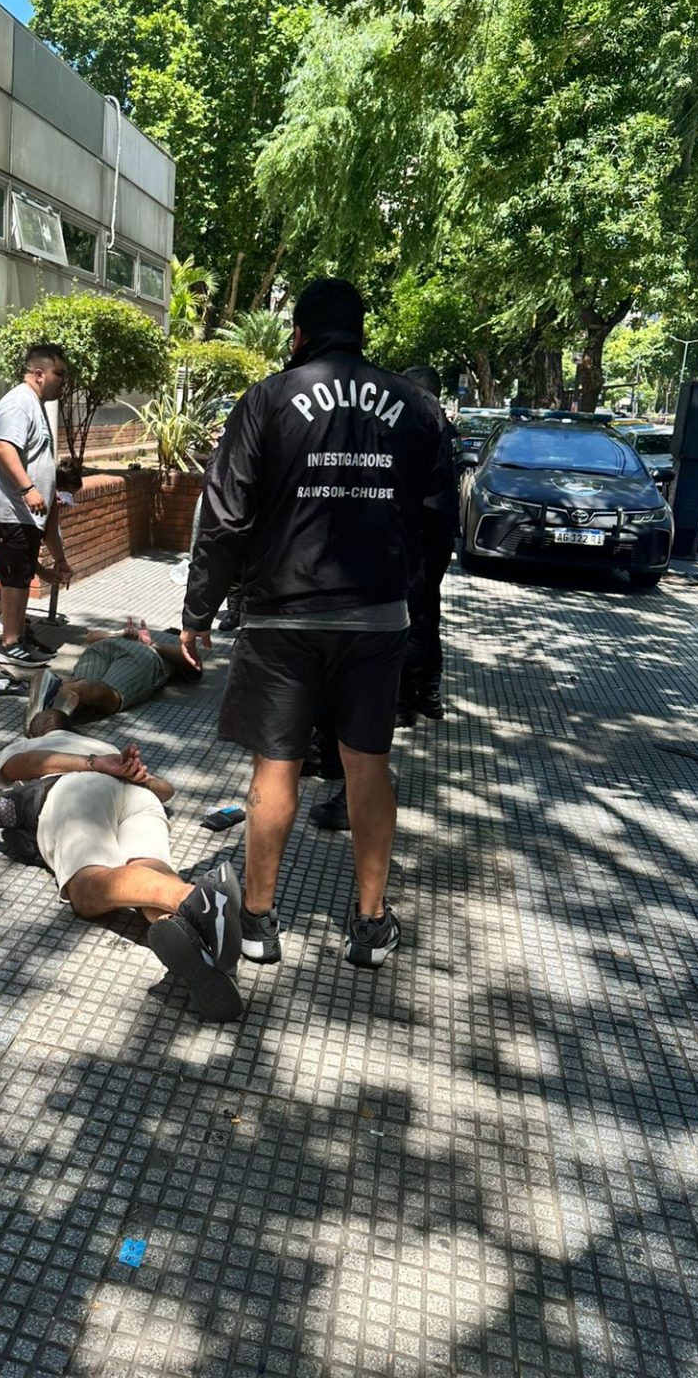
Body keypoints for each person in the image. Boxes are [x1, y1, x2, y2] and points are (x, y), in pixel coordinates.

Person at [179, 276, 457, 971]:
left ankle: (258, 921)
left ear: (297, 334)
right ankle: (369, 924)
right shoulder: (413, 406)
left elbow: (225, 517)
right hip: (375, 617)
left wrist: (198, 611)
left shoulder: (268, 400)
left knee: (276, 766)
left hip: (282, 616)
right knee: (368, 764)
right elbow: (438, 518)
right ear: (363, 334)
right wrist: (416, 603)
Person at [0, 720, 243, 1021]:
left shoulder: (37, 743)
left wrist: (95, 765)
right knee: (150, 870)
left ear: (39, 729)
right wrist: (135, 775)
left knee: (86, 888)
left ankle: (195, 897)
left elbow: (21, 765)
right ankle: (205, 947)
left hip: (78, 789)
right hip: (139, 797)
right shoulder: (103, 746)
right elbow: (166, 790)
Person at [0, 345, 73, 668]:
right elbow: (3, 447)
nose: (63, 381)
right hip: (9, 508)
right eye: (60, 374)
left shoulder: (36, 405)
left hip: (23, 513)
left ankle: (18, 636)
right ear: (39, 374)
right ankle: (9, 643)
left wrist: (54, 565)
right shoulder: (18, 402)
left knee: (21, 572)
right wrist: (28, 488)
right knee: (14, 577)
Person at [398, 366, 459, 722]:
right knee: (426, 615)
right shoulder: (444, 430)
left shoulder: (420, 429)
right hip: (435, 539)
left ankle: (405, 702)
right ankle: (427, 694)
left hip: (416, 538)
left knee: (411, 619)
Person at [24, 618, 202, 731]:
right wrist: (127, 636)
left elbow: (192, 661)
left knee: (85, 686)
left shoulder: (161, 637)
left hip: (117, 649)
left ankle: (51, 702)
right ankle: (55, 697)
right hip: (136, 654)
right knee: (109, 696)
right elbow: (191, 661)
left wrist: (140, 639)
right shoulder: (166, 639)